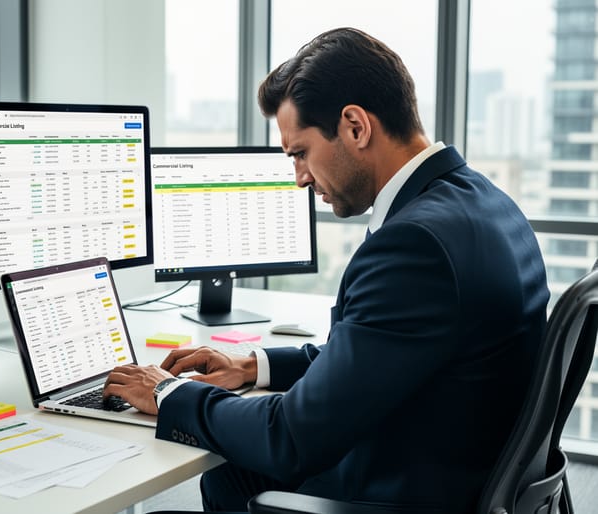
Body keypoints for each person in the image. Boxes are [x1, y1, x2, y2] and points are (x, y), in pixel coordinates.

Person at [103, 27, 549, 512]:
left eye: (299, 153)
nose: (299, 178)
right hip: (451, 466)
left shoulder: (414, 244)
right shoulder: (485, 203)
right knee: (232, 477)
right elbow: (376, 354)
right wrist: (253, 366)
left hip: (402, 492)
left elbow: (290, 439)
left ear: (356, 126)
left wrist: (168, 394)